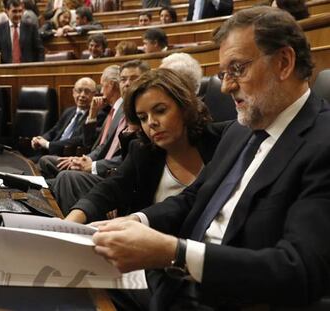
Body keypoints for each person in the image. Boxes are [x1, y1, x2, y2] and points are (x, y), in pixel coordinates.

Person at [92, 6, 330, 311]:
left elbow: (297, 268)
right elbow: (194, 198)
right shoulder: (240, 130)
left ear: (283, 63)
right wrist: (137, 221)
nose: (227, 86)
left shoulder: (322, 142)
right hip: (175, 282)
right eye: (222, 74)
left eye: (237, 70)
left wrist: (174, 252)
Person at [65, 68, 224, 224]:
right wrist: (73, 219)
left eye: (160, 111)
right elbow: (111, 188)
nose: (151, 123)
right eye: (142, 117)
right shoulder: (142, 150)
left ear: (184, 106)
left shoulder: (221, 140)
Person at [50, 60, 150, 215]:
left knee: (65, 178)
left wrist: (93, 165)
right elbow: (100, 146)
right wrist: (87, 160)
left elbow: (129, 159)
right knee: (50, 181)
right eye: (123, 80)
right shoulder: (120, 111)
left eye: (134, 79)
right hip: (109, 171)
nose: (127, 84)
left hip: (118, 176)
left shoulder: (142, 114)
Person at [31, 77, 101, 162]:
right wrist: (39, 139)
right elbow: (54, 130)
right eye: (79, 91)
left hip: (68, 158)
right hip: (50, 153)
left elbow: (80, 140)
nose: (82, 95)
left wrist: (48, 144)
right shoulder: (69, 111)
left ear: (95, 95)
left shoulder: (97, 116)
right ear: (73, 93)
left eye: (87, 92)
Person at [0, 0, 44, 64]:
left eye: (20, 11)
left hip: (28, 69)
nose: (18, 14)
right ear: (7, 11)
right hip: (7, 69)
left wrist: (38, 67)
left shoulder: (31, 28)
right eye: (14, 11)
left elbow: (40, 50)